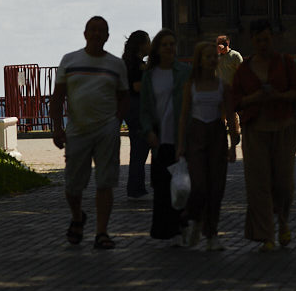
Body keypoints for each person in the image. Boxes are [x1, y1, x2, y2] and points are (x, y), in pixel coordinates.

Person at [50, 15, 130, 250]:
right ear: (85, 34)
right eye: (92, 30)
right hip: (77, 130)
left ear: (107, 36)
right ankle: (77, 217)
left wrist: (117, 122)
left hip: (107, 129)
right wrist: (57, 128)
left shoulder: (116, 64)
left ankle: (102, 233)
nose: (96, 34)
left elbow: (124, 97)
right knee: (73, 185)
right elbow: (57, 98)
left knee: (105, 182)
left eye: (101, 31)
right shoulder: (70, 61)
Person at [232, 18, 296, 252]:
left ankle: (283, 221)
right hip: (255, 130)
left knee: (283, 183)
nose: (263, 44)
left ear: (273, 38)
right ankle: (266, 235)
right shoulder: (244, 68)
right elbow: (235, 101)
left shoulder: (286, 62)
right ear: (252, 40)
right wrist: (254, 98)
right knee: (258, 184)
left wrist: (278, 96)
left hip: (283, 127)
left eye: (267, 39)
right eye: (259, 40)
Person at [176, 41, 241, 250]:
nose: (213, 60)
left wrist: (232, 145)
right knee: (200, 186)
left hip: (216, 137)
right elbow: (184, 115)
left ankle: (211, 233)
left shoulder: (223, 86)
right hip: (195, 136)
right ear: (200, 61)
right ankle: (190, 217)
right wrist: (180, 145)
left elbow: (230, 115)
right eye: (208, 57)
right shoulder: (191, 85)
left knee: (216, 188)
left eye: (215, 56)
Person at [140, 28, 191, 244]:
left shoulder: (184, 71)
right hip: (160, 138)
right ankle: (167, 230)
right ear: (157, 50)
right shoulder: (149, 76)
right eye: (165, 45)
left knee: (181, 185)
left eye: (172, 44)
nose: (170, 48)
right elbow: (144, 108)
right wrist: (148, 131)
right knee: (162, 185)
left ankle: (181, 225)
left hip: (180, 136)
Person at [121, 30, 151, 199]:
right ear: (141, 45)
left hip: (130, 108)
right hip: (138, 107)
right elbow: (137, 87)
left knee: (137, 149)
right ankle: (136, 189)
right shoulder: (137, 65)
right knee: (140, 149)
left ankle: (136, 187)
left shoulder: (127, 62)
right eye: (148, 42)